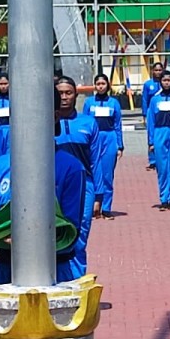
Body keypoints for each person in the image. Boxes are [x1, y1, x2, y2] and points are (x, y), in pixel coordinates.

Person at [0, 87, 88, 284]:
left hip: (56, 273)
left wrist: (30, 240)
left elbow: (70, 232)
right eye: (20, 112)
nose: (26, 119)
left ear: (55, 116)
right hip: (8, 271)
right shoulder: (0, 166)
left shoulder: (71, 168)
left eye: (35, 112)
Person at [54, 75, 98, 273]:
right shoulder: (45, 123)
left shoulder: (88, 123)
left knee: (79, 232)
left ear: (76, 95)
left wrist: (100, 195)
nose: (64, 97)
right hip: (56, 184)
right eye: (60, 93)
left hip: (84, 185)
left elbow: (96, 161)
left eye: (68, 93)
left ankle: (77, 278)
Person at [84, 72, 124, 219]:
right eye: (98, 84)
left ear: (107, 85)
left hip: (109, 138)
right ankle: (94, 205)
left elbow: (118, 124)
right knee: (93, 172)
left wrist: (120, 145)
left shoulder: (114, 103)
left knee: (107, 174)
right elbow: (85, 123)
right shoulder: (89, 102)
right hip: (94, 138)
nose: (100, 86)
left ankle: (106, 208)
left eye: (103, 84)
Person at [147, 69, 170, 210]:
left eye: (169, 80)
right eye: (164, 80)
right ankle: (164, 198)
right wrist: (151, 141)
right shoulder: (155, 100)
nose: (166, 83)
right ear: (160, 82)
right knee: (162, 167)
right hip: (159, 132)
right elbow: (151, 121)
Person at [141, 61, 164, 171]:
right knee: (151, 134)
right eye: (156, 70)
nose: (158, 72)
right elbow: (145, 99)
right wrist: (144, 114)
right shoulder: (147, 84)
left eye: (160, 70)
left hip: (162, 110)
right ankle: (152, 160)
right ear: (152, 71)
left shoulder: (165, 82)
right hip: (151, 110)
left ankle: (161, 158)